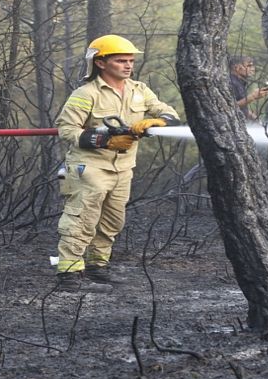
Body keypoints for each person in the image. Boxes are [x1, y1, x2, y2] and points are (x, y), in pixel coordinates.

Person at [54, 34, 181, 292]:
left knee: (112, 221)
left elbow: (171, 114)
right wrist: (105, 142)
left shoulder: (139, 90)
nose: (128, 66)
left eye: (131, 61)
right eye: (121, 60)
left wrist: (159, 121)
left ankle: (97, 268)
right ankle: (69, 274)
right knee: (82, 218)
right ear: (100, 63)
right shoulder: (85, 94)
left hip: (123, 168)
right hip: (88, 166)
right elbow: (67, 130)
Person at [228, 55, 268, 121]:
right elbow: (229, 107)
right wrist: (253, 96)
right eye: (249, 66)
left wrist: (256, 120)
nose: (253, 69)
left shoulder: (240, 82)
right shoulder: (231, 82)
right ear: (236, 67)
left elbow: (242, 107)